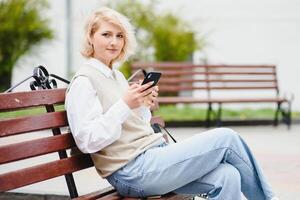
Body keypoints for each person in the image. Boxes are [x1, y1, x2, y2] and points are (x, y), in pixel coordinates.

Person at [65, 7, 279, 200]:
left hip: (153, 158)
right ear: (90, 38)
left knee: (228, 176)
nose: (114, 42)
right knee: (226, 139)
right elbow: (87, 141)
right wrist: (124, 105)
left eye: (119, 36)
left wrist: (141, 105)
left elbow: (131, 125)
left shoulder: (117, 77)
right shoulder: (84, 81)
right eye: (106, 34)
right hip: (132, 171)